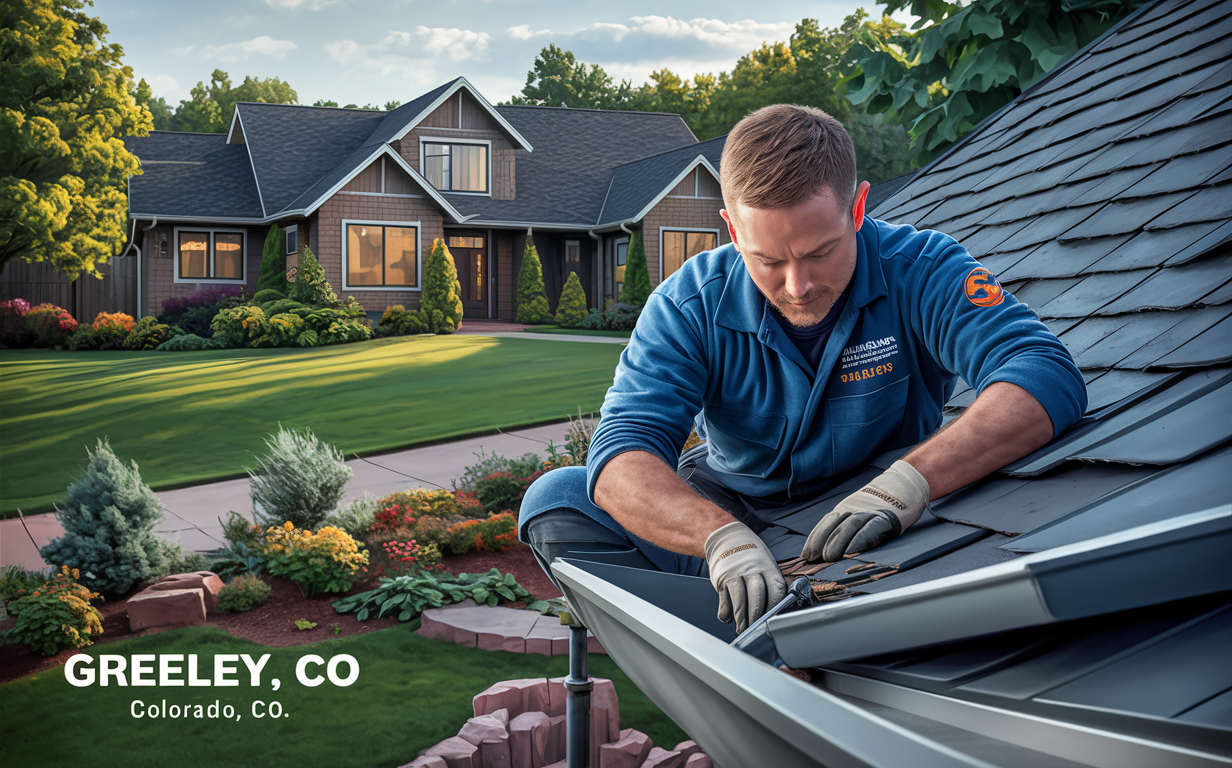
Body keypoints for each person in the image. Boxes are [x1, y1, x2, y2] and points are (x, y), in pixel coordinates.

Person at [517, 104, 1087, 633]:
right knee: (556, 497)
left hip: (877, 519)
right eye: (767, 260)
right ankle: (736, 634)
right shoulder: (687, 304)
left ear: (858, 208)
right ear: (733, 230)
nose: (798, 286)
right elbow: (622, 452)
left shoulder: (923, 268)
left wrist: (908, 484)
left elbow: (1041, 369)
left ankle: (756, 634)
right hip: (737, 524)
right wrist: (719, 539)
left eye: (820, 252)